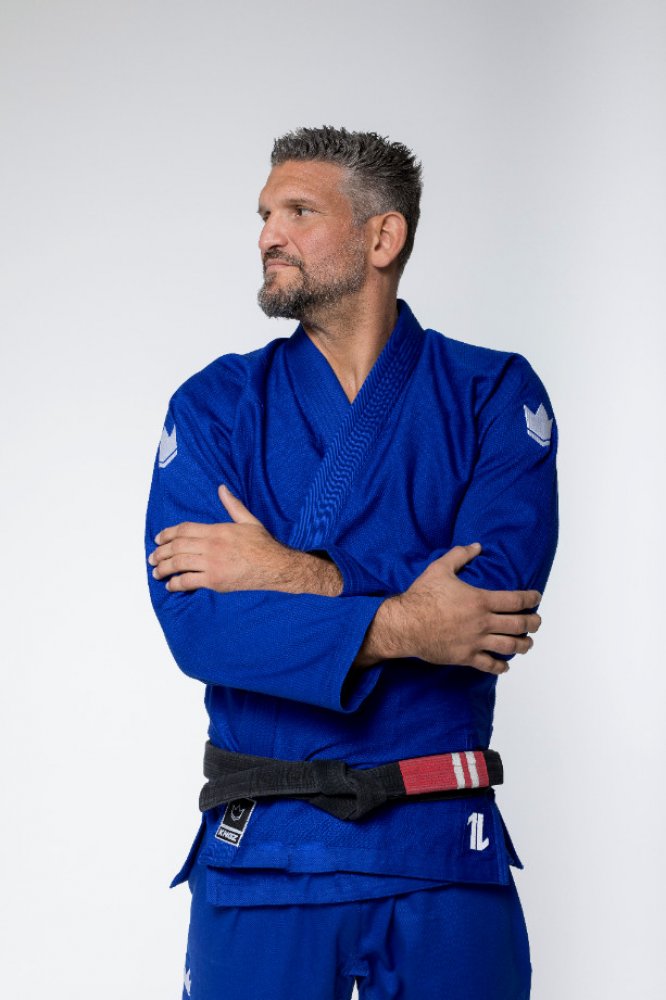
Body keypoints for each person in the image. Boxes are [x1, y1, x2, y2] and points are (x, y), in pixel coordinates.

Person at [145, 126, 558, 1000]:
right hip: (265, 851)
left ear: (382, 237)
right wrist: (409, 620)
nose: (268, 233)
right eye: (264, 214)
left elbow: (486, 607)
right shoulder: (215, 406)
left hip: (441, 846)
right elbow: (201, 628)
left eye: (298, 211)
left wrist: (290, 573)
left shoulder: (491, 393)